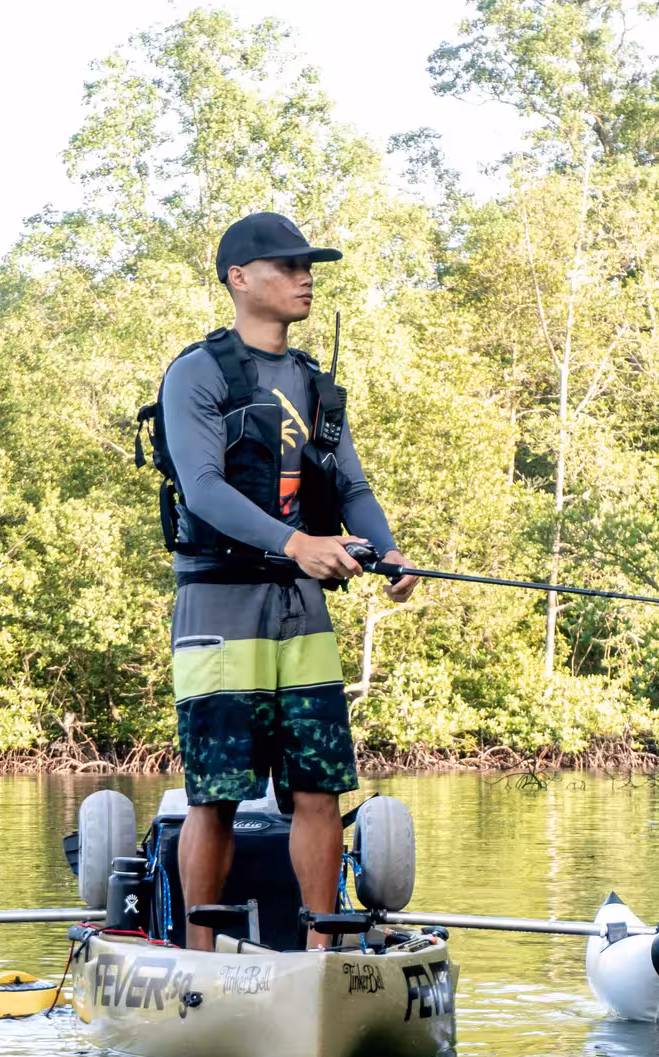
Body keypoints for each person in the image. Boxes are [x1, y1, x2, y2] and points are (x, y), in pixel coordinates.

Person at [160, 212, 418, 951]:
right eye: (287, 265)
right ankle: (200, 959)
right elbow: (203, 486)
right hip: (219, 602)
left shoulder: (312, 383)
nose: (305, 277)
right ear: (240, 279)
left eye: (309, 266)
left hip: (300, 608)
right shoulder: (198, 372)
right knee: (215, 794)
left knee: (318, 789)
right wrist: (296, 542)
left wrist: (390, 554)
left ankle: (320, 953)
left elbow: (352, 486)